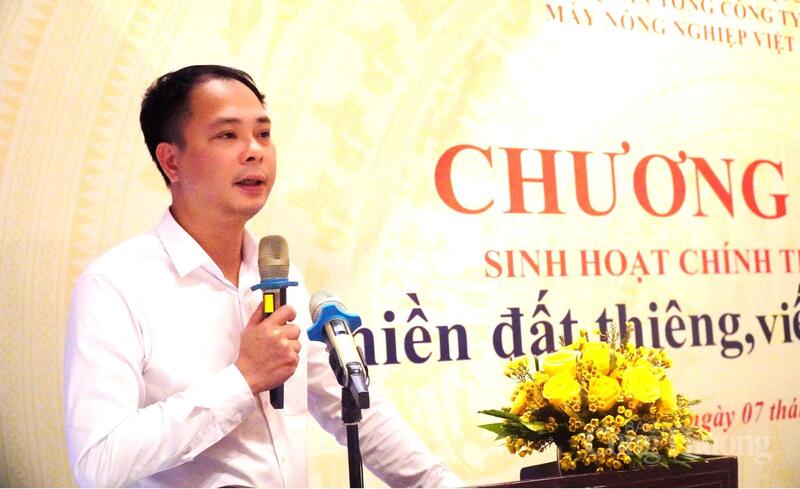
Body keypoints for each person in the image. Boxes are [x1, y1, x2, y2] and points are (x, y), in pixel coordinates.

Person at [63, 65, 463, 488]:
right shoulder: (116, 285)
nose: (254, 150)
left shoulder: (279, 277)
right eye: (227, 135)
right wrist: (242, 379)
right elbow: (98, 462)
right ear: (171, 160)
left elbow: (357, 413)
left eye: (263, 133)